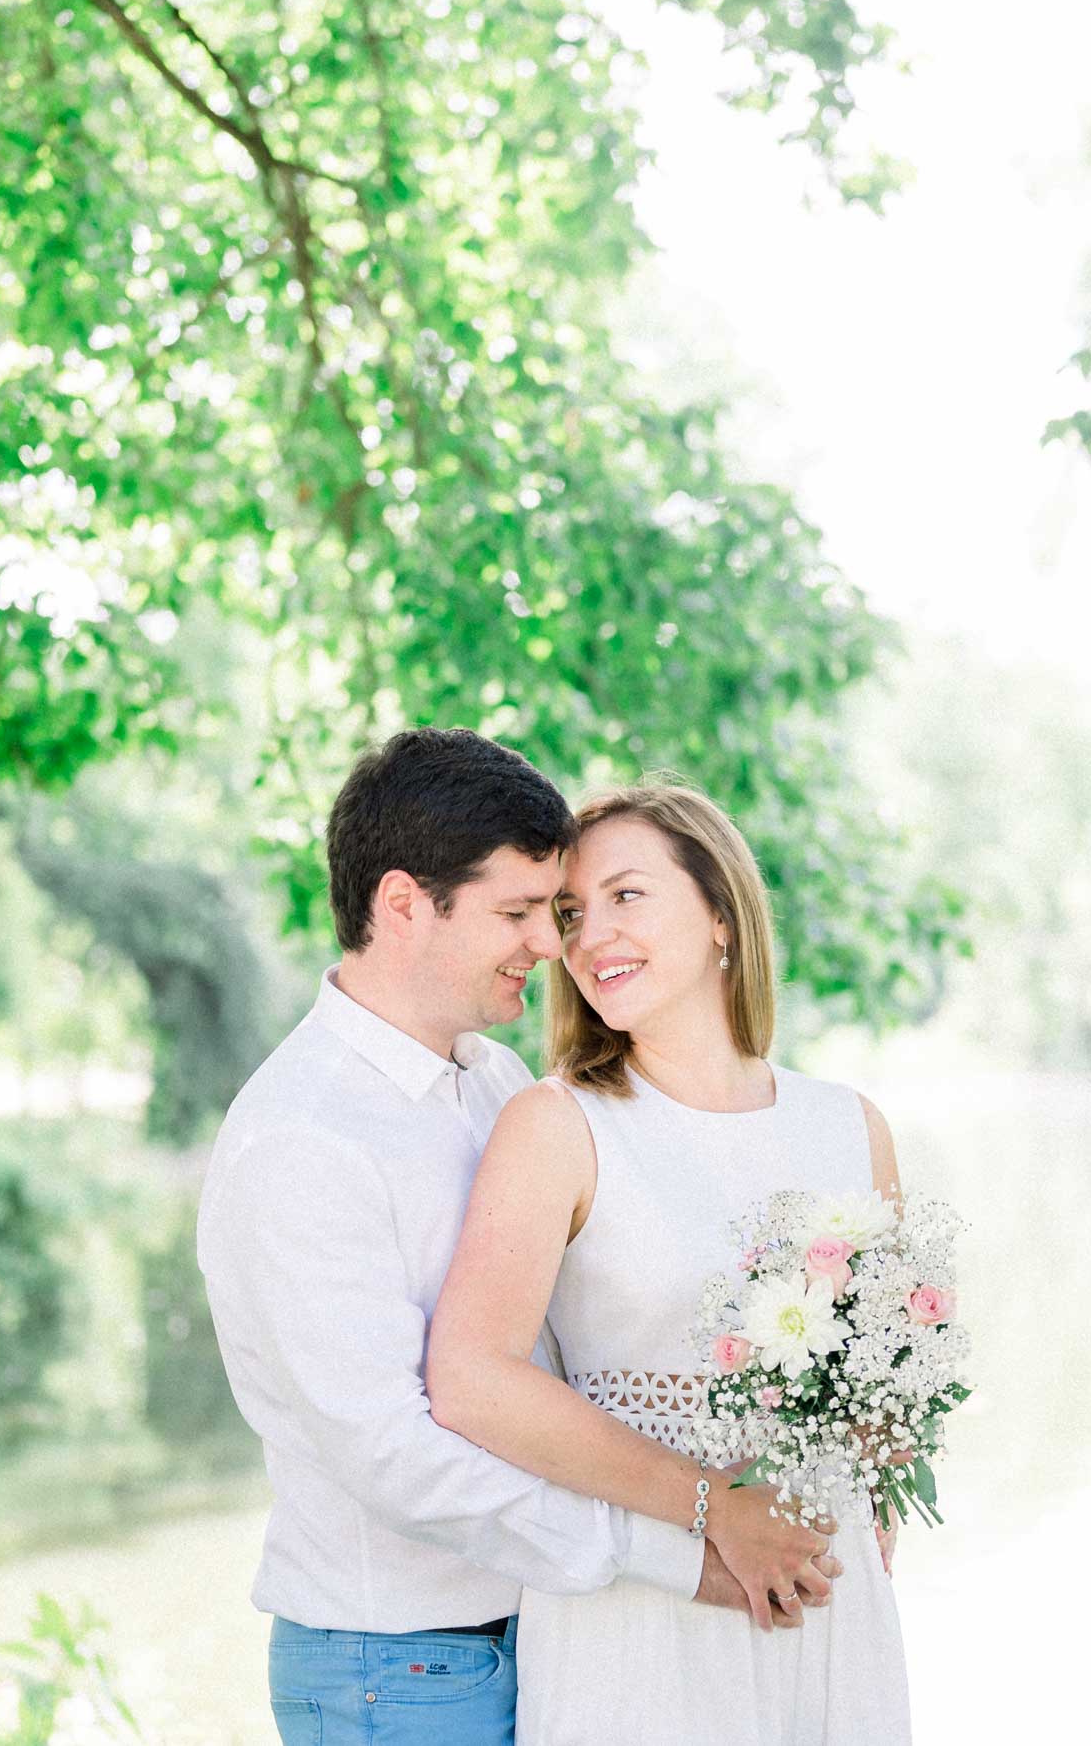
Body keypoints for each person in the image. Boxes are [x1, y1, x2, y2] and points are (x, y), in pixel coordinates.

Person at [197, 730, 840, 1746]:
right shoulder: (300, 1138)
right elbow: (397, 1454)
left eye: (556, 912)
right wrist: (687, 1542)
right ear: (405, 903)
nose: (552, 947)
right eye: (518, 913)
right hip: (400, 1666)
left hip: (550, 1633)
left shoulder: (494, 1084)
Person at [427, 779, 913, 1744]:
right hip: (645, 1615)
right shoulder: (558, 1125)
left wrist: (866, 1509)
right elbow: (469, 1379)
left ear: (722, 915)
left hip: (824, 1599)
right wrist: (716, 1506)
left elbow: (891, 1386)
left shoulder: (848, 1127)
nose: (589, 935)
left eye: (627, 896)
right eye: (570, 913)